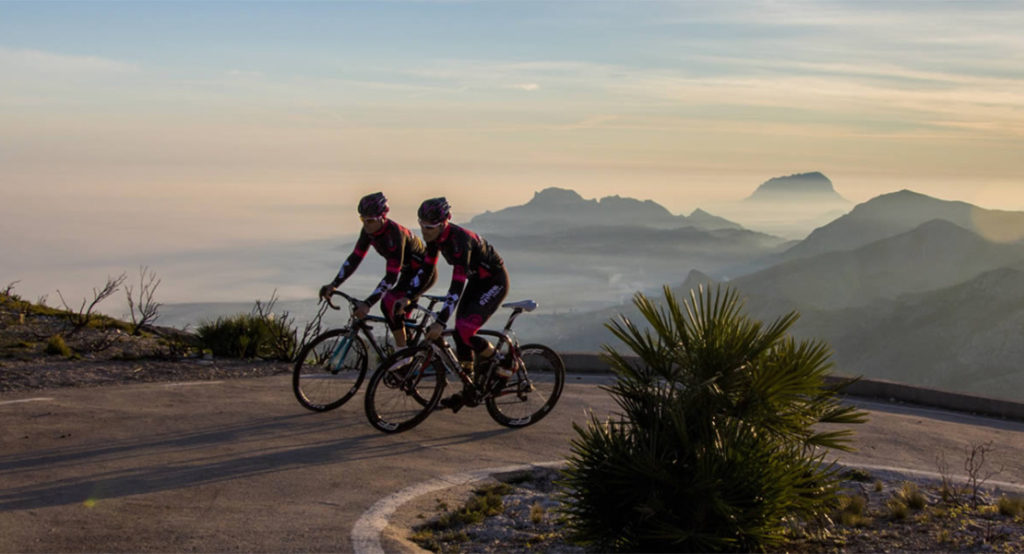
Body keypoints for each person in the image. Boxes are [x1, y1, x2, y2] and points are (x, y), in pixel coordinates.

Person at [397, 197, 511, 412]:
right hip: (477, 282)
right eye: (420, 224)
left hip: (494, 282)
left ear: (443, 223)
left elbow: (456, 287)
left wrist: (440, 321)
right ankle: (470, 386)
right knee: (459, 333)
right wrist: (409, 296)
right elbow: (427, 270)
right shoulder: (435, 239)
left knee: (466, 331)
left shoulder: (460, 242)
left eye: (429, 226)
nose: (424, 230)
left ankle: (503, 361)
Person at [319, 192, 436, 348]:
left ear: (383, 217)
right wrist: (334, 284)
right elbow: (355, 258)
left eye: (370, 220)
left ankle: (402, 355)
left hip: (423, 274)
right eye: (362, 219)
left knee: (389, 304)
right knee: (399, 320)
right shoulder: (369, 231)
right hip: (408, 273)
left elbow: (391, 277)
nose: (366, 224)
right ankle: (409, 356)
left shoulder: (395, 235)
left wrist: (368, 303)